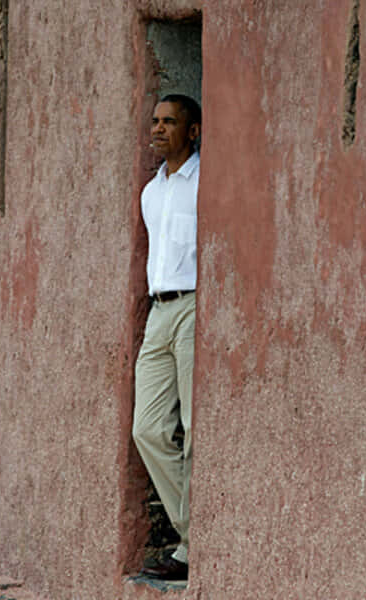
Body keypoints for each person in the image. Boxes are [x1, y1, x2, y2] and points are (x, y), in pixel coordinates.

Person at [132, 94, 201, 581]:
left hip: (195, 306)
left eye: (169, 122)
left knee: (195, 428)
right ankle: (195, 530)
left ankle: (190, 547)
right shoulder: (151, 192)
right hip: (159, 312)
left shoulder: (206, 184)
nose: (158, 129)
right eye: (155, 122)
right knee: (148, 428)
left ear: (192, 132)